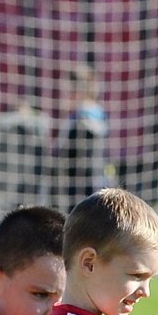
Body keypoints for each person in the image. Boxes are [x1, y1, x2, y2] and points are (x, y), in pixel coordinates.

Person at [45, 64, 111, 211]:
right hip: (92, 182)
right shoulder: (96, 114)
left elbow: (60, 153)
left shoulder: (82, 118)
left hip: (79, 186)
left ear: (77, 91)